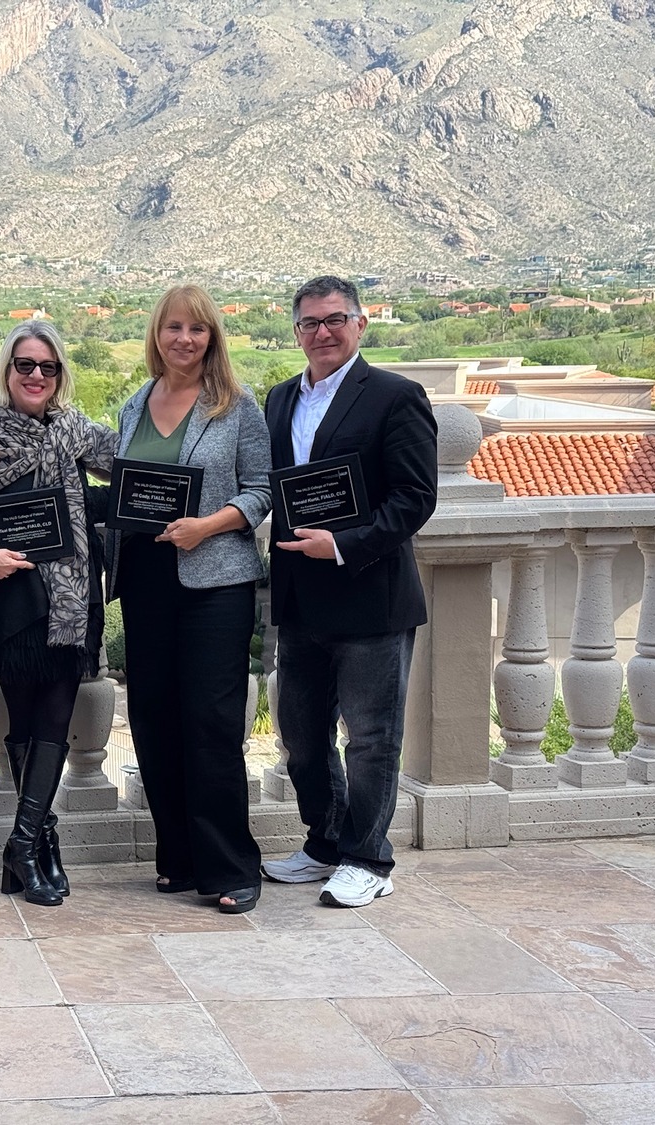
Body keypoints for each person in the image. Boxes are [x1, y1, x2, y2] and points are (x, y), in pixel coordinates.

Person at [261, 275, 437, 908]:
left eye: (334, 319)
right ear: (297, 331)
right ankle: (325, 843)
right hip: (300, 600)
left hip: (369, 597)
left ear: (360, 324)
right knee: (302, 737)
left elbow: (416, 498)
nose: (322, 332)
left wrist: (341, 544)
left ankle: (370, 859)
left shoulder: (396, 396)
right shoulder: (279, 400)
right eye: (309, 323)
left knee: (370, 740)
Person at [105, 285, 271, 914]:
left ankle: (232, 868)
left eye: (196, 330)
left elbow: (261, 490)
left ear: (212, 338)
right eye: (173, 327)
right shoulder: (133, 405)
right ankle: (176, 857)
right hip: (147, 582)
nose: (184, 339)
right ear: (156, 334)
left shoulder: (236, 407)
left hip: (214, 582)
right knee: (152, 718)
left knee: (211, 723)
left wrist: (208, 525)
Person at [0, 320, 118, 907]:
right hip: (14, 593)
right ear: (8, 370)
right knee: (24, 723)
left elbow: (128, 466)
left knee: (55, 718)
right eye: (26, 366)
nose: (37, 376)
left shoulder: (76, 430)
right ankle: (35, 845)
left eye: (49, 367)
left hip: (72, 599)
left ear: (60, 374)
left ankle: (26, 844)